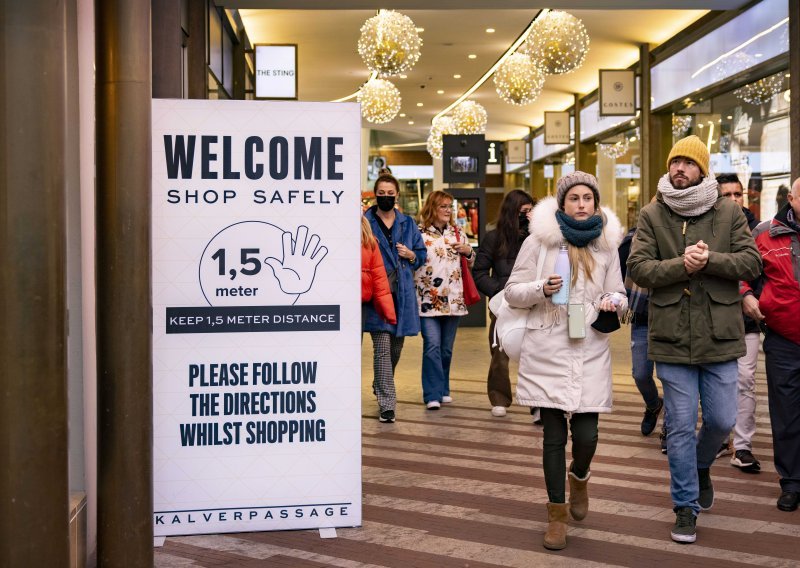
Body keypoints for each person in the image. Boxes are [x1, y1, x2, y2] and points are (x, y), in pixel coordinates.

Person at [627, 135, 761, 544]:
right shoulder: (652, 214)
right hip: (671, 335)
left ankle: (701, 467)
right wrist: (681, 266)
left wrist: (712, 261)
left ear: (703, 169)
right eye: (675, 162)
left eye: (688, 163)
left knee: (722, 420)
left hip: (720, 334)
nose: (679, 168)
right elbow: (638, 266)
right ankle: (685, 506)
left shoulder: (728, 212)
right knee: (681, 427)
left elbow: (752, 261)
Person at [505, 171, 626, 551]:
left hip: (589, 345)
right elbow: (512, 292)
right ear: (562, 203)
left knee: (587, 435)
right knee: (554, 436)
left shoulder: (606, 245)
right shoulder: (539, 243)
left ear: (595, 202)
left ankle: (581, 476)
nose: (581, 205)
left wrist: (613, 302)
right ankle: (556, 515)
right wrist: (541, 288)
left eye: (587, 198)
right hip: (548, 345)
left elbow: (619, 292)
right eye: (573, 198)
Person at [741, 177, 800, 512]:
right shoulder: (764, 232)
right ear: (791, 198)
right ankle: (791, 482)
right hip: (783, 339)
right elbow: (743, 272)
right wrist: (746, 295)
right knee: (787, 413)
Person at [364, 173, 427, 423]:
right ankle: (387, 404)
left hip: (401, 294)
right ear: (375, 194)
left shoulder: (407, 223)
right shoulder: (364, 222)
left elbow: (421, 255)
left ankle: (380, 384)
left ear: (397, 196)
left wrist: (411, 255)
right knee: (381, 349)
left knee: (396, 347)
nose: (386, 198)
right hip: (376, 295)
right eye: (382, 193)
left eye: (391, 194)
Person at [473, 189, 534, 418]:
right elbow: (479, 271)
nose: (527, 216)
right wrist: (499, 290)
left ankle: (536, 401)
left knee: (535, 350)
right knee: (499, 349)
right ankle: (499, 397)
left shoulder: (537, 237)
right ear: (512, 212)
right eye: (523, 211)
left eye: (531, 211)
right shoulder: (494, 237)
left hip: (533, 298)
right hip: (503, 303)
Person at [716, 173, 762, 470]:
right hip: (716, 317)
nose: (734, 199)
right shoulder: (708, 227)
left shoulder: (759, 229)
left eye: (738, 194)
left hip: (746, 320)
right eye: (728, 194)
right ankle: (719, 437)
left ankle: (742, 446)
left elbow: (765, 271)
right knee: (718, 383)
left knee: (745, 382)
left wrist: (755, 298)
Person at [414, 190, 475, 410]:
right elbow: (413, 262)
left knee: (446, 349)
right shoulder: (419, 234)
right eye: (443, 206)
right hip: (428, 300)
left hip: (454, 300)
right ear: (432, 208)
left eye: (450, 206)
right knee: (432, 346)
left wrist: (468, 251)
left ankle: (443, 388)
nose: (448, 210)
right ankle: (431, 393)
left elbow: (470, 262)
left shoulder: (457, 233)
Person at [619, 227, 663, 439]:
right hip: (642, 316)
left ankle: (669, 430)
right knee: (640, 374)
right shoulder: (634, 238)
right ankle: (654, 405)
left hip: (670, 317)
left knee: (671, 377)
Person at [361, 215, 396, 332]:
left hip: (361, 301)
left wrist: (387, 310)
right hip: (336, 300)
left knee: (353, 345)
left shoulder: (369, 241)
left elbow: (378, 275)